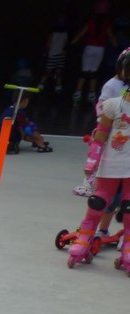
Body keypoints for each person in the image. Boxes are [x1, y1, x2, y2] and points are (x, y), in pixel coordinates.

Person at [66, 55, 130, 271]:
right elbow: (100, 135)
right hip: (111, 164)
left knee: (129, 207)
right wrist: (92, 161)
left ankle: (128, 246)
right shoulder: (112, 105)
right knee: (97, 202)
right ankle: (84, 238)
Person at [70, 1, 118, 106]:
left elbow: (82, 33)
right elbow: (110, 36)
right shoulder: (106, 23)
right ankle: (91, 94)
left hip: (89, 47)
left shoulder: (91, 21)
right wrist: (116, 45)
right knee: (93, 71)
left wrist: (72, 42)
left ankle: (78, 93)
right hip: (100, 49)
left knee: (84, 70)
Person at [39, 13, 70, 95]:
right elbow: (65, 44)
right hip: (60, 54)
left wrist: (45, 53)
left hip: (52, 54)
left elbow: (48, 44)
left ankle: (41, 85)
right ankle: (58, 86)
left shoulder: (53, 33)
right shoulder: (65, 34)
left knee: (48, 70)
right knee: (58, 71)